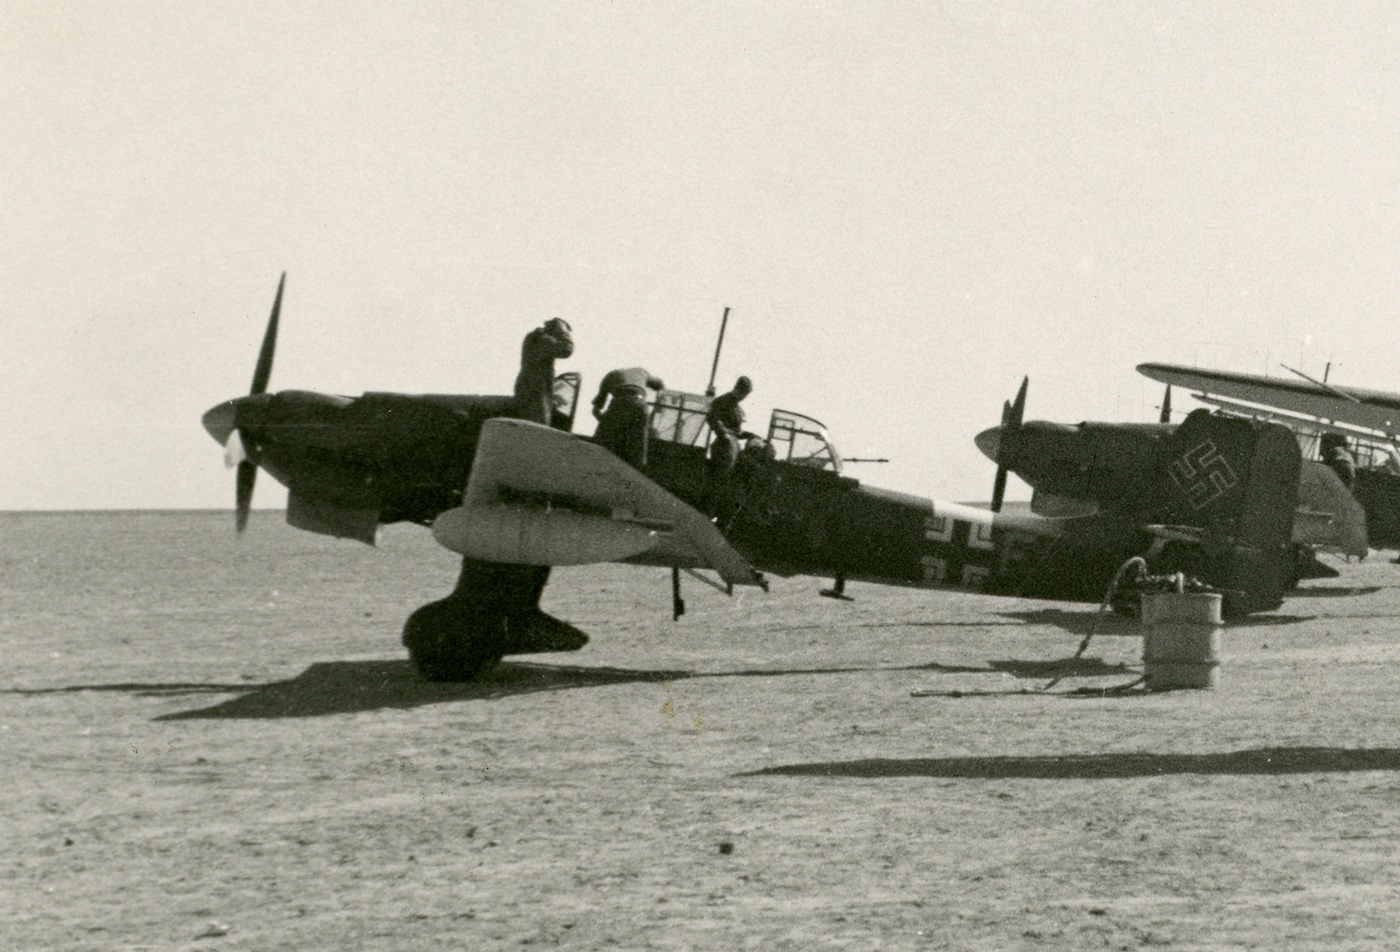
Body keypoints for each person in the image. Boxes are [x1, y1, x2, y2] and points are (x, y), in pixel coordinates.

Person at [592, 366, 665, 467]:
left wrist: (607, 424)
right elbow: (659, 384)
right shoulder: (641, 371)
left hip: (620, 403)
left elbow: (595, 411)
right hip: (641, 406)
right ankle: (638, 470)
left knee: (599, 443)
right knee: (638, 449)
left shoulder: (609, 377)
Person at [513, 318, 574, 425]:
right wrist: (563, 332)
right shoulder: (543, 339)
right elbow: (566, 349)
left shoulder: (536, 338)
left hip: (531, 388)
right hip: (535, 390)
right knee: (537, 428)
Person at [706, 375, 754, 479]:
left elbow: (736, 430)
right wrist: (724, 434)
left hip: (733, 446)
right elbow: (712, 418)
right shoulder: (722, 401)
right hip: (724, 447)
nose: (744, 398)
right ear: (739, 390)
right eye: (745, 394)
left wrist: (751, 435)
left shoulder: (737, 407)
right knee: (720, 478)